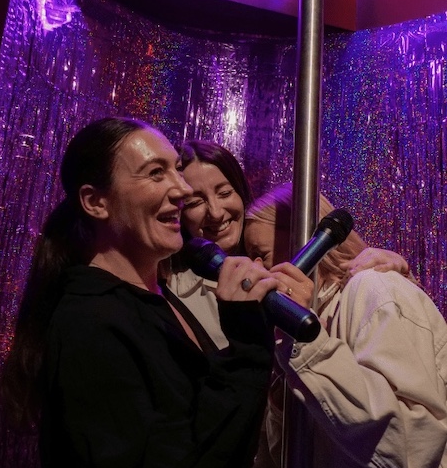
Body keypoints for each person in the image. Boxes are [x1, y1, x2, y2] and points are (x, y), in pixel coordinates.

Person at [2, 117, 282, 468]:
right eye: (156, 173)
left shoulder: (156, 297)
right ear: (96, 202)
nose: (182, 189)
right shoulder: (90, 323)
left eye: (175, 168)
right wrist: (246, 348)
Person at [244, 186, 447, 468]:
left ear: (303, 243)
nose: (255, 270)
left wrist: (307, 343)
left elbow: (409, 450)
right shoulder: (296, 327)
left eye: (260, 255)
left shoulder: (373, 290)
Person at [171, 140, 409, 349]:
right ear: (178, 213)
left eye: (224, 193)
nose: (215, 212)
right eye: (194, 202)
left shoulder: (273, 251)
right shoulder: (176, 290)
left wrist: (397, 272)